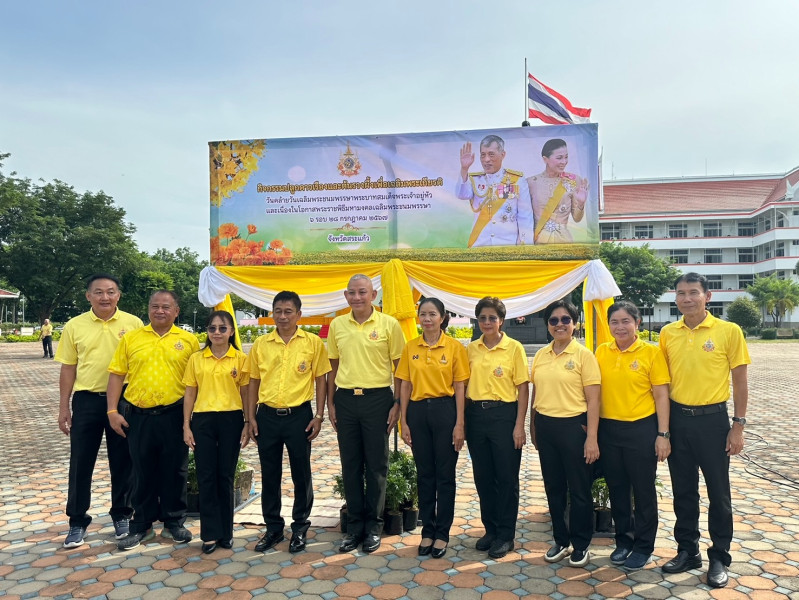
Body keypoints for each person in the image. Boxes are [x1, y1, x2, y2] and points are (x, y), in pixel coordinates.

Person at [659, 273, 750, 588]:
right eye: (681, 293)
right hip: (678, 420)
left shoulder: (728, 331)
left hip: (713, 422)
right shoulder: (668, 333)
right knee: (683, 491)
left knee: (718, 493)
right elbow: (663, 384)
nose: (687, 298)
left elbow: (740, 381)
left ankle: (719, 556)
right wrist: (663, 431)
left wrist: (738, 426)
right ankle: (688, 550)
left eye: (693, 292)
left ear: (707, 296)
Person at [107, 290, 200, 550]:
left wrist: (192, 419)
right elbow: (116, 374)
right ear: (148, 309)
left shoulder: (189, 341)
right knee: (141, 470)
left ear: (176, 311)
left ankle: (174, 523)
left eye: (166, 307)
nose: (160, 311)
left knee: (176, 470)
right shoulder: (132, 338)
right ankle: (141, 525)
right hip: (139, 416)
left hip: (175, 415)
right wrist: (112, 411)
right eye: (155, 306)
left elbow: (196, 381)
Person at [55, 274, 143, 548]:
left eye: (111, 291)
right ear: (88, 296)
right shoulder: (75, 325)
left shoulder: (134, 324)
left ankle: (122, 515)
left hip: (125, 401)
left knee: (124, 461)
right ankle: (77, 521)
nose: (105, 297)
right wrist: (64, 407)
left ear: (119, 295)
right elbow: (68, 367)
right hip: (87, 401)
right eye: (99, 292)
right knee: (81, 462)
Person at [248, 291, 331, 554]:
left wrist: (319, 416)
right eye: (278, 311)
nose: (282, 316)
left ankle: (300, 527)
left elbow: (321, 379)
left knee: (301, 473)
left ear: (299, 314)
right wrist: (250, 417)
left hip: (300, 417)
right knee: (270, 473)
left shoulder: (313, 343)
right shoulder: (261, 344)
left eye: (288, 311)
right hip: (267, 416)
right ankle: (273, 528)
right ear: (272, 313)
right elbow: (253, 381)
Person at [327, 274, 405, 554]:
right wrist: (330, 403)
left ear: (373, 295)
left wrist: (397, 403)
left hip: (378, 400)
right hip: (346, 399)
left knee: (376, 465)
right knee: (350, 465)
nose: (357, 297)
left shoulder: (389, 324)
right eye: (352, 293)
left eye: (363, 292)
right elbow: (332, 367)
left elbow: (400, 368)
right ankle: (354, 528)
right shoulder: (337, 325)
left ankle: (374, 527)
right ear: (346, 296)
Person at [595, 301, 671, 571]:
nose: (620, 327)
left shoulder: (651, 353)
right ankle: (624, 541)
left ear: (637, 323)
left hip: (641, 429)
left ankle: (643, 546)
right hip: (609, 430)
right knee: (617, 489)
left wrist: (663, 434)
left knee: (643, 490)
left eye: (626, 321)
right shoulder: (602, 351)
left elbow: (661, 395)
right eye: (614, 322)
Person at [530, 299, 600, 567]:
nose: (559, 325)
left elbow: (594, 400)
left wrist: (591, 438)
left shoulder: (584, 355)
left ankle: (581, 544)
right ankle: (561, 540)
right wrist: (532, 425)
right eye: (553, 320)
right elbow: (536, 391)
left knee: (579, 489)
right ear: (547, 325)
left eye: (565, 320)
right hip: (546, 426)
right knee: (554, 487)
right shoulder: (541, 354)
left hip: (574, 428)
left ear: (574, 323)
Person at [396, 298, 469, 558]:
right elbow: (405, 384)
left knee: (445, 475)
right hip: (417, 413)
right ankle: (427, 530)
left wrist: (459, 424)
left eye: (432, 314)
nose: (427, 319)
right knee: (425, 474)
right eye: (423, 314)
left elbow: (460, 387)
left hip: (445, 412)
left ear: (443, 317)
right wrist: (404, 421)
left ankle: (442, 533)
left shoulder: (454, 347)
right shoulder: (410, 347)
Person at [465, 297, 529, 559]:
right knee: (483, 476)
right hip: (475, 416)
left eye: (492, 317)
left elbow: (523, 388)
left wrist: (519, 425)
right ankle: (490, 530)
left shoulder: (514, 348)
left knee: (506, 477)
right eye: (482, 318)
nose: (487, 322)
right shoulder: (471, 349)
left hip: (504, 416)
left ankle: (505, 535)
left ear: (501, 320)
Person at [183, 310, 250, 554]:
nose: (217, 332)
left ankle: (226, 533)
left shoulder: (240, 359)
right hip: (203, 420)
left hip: (232, 419)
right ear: (207, 332)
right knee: (206, 476)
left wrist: (247, 422)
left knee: (226, 476)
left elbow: (245, 393)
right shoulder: (197, 359)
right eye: (212, 328)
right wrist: (186, 425)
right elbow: (190, 392)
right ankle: (210, 534)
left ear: (231, 331)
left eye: (223, 328)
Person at [456, 134, 534, 247]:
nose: (486, 159)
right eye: (483, 155)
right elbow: (461, 194)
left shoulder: (516, 180)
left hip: (507, 246)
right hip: (480, 245)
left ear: (503, 155)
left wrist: (525, 247)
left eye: (491, 154)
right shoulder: (475, 180)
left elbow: (525, 216)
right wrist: (464, 169)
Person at [526, 138, 588, 244]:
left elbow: (577, 218)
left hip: (564, 241)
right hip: (538, 242)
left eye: (566, 157)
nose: (564, 162)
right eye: (559, 158)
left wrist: (581, 204)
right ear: (545, 159)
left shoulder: (573, 180)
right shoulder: (531, 183)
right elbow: (524, 218)